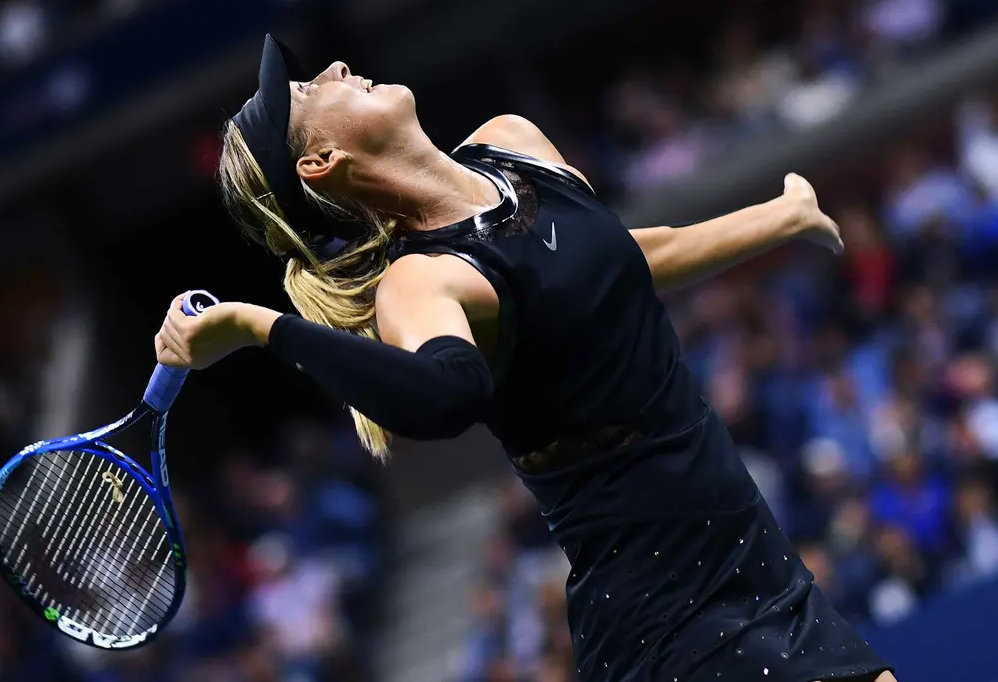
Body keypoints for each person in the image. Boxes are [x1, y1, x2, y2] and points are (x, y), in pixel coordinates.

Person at [154, 35, 896, 682]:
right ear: (320, 161)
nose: (337, 66)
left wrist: (776, 216)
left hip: (746, 545)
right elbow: (443, 395)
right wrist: (262, 328)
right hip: (662, 604)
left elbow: (621, 257)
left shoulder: (513, 143)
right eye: (311, 90)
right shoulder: (421, 281)